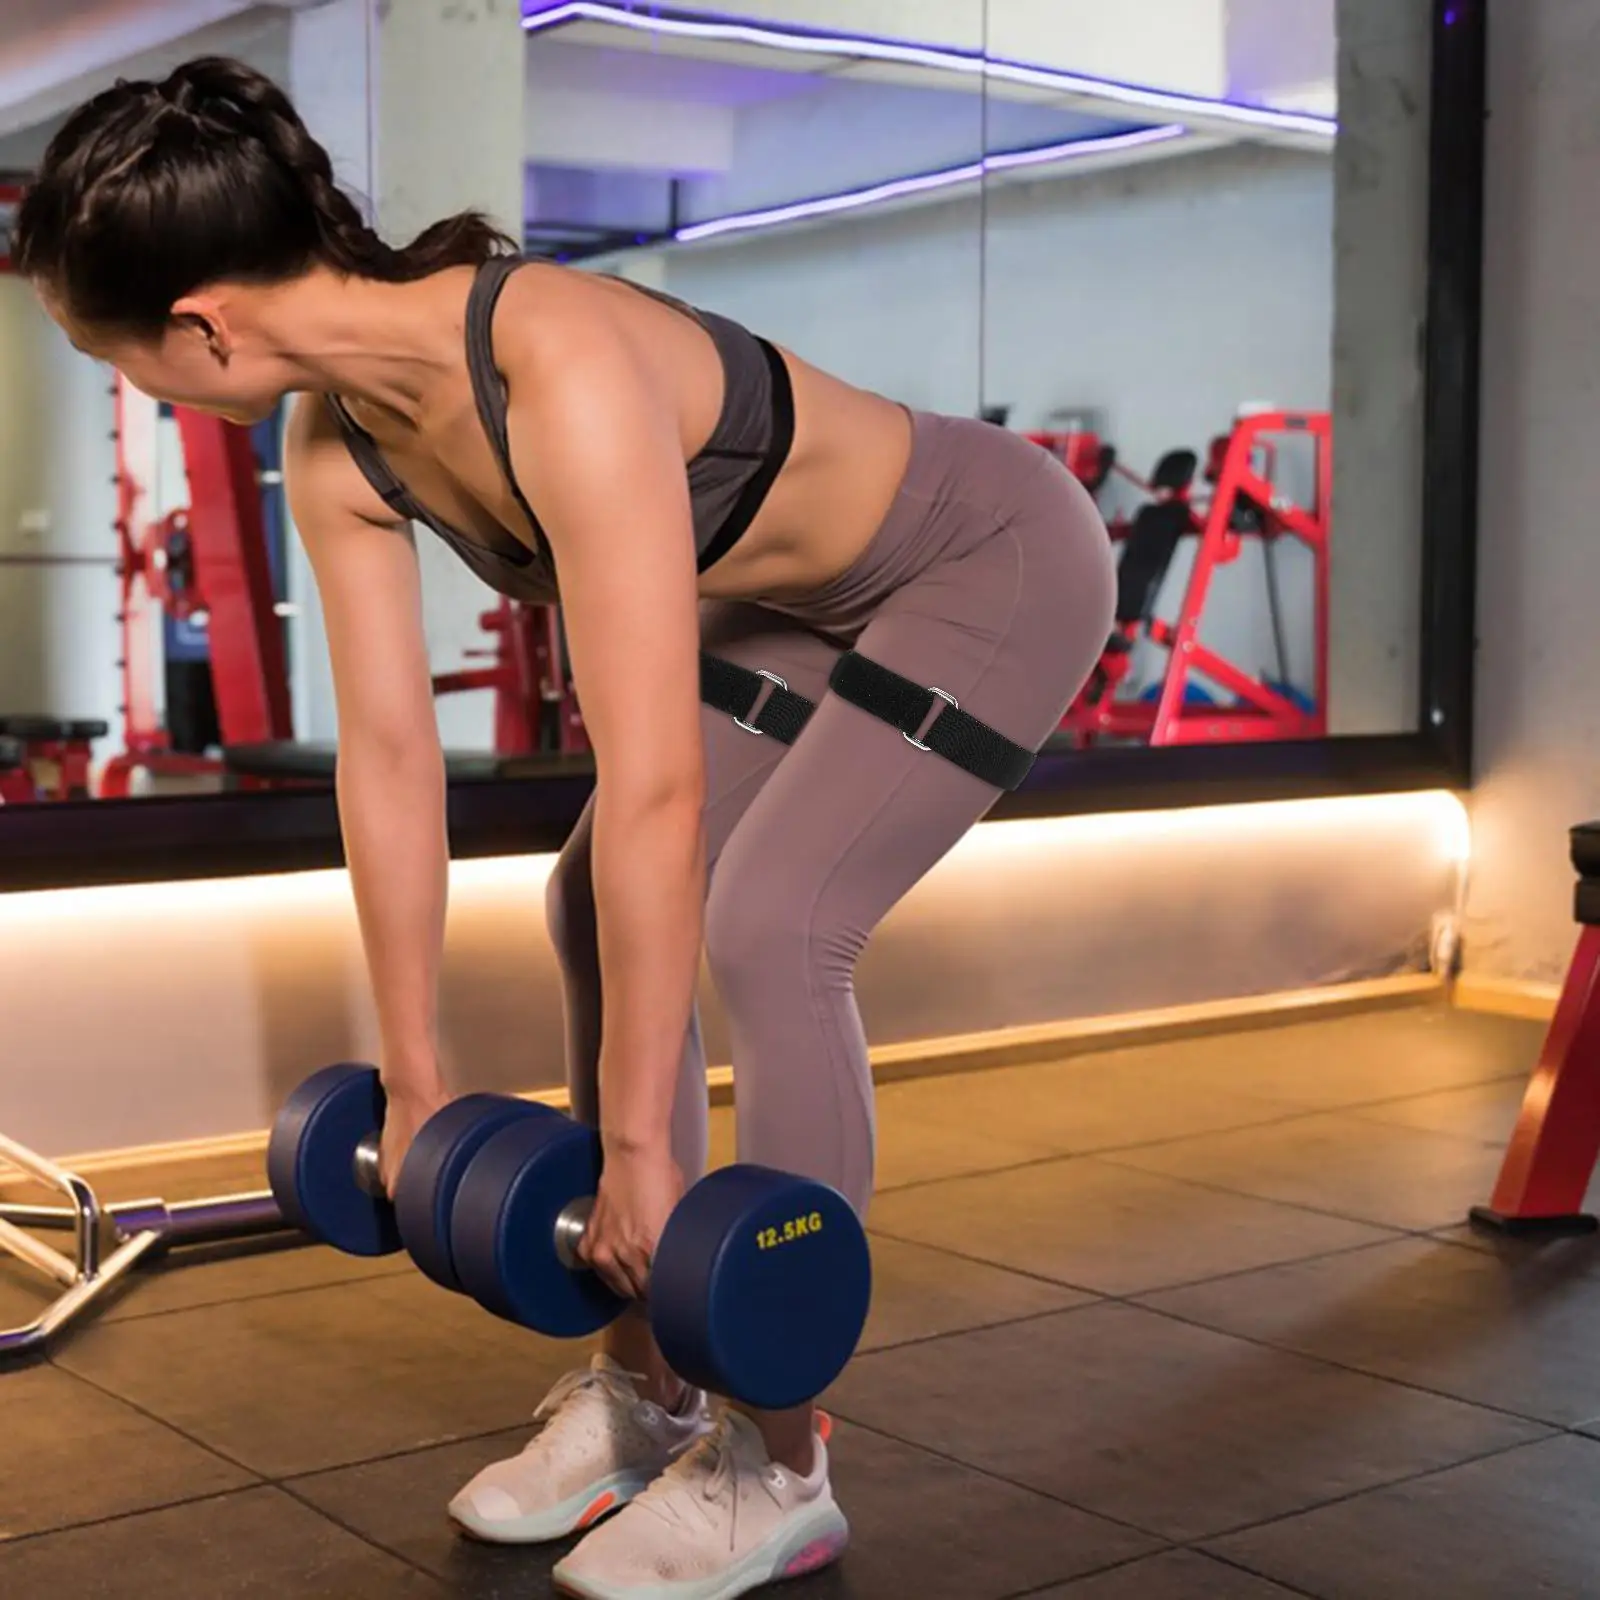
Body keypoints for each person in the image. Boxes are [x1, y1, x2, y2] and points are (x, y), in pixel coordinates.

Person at [15, 55, 1116, 1600]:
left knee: (774, 918)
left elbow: (656, 774)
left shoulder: (562, 363)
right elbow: (390, 757)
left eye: (116, 356)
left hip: (985, 557)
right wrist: (413, 1077)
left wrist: (647, 1155)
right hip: (801, 598)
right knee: (590, 901)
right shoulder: (337, 443)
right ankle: (643, 1391)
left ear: (203, 320)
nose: (136, 388)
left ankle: (778, 1454)